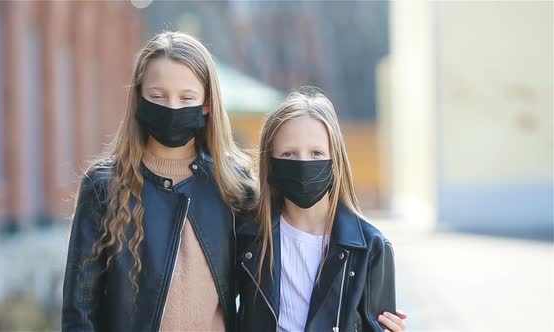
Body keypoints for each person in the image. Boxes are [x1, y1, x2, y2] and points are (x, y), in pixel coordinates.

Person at [62, 31, 255, 332]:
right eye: (158, 96)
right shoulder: (104, 186)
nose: (172, 107)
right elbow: (80, 309)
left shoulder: (233, 182)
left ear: (207, 103)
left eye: (186, 97)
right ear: (139, 97)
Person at [237, 87, 407, 332]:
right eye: (289, 154)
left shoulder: (371, 247)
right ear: (271, 162)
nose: (304, 163)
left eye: (316, 153)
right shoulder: (248, 236)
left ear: (335, 158)